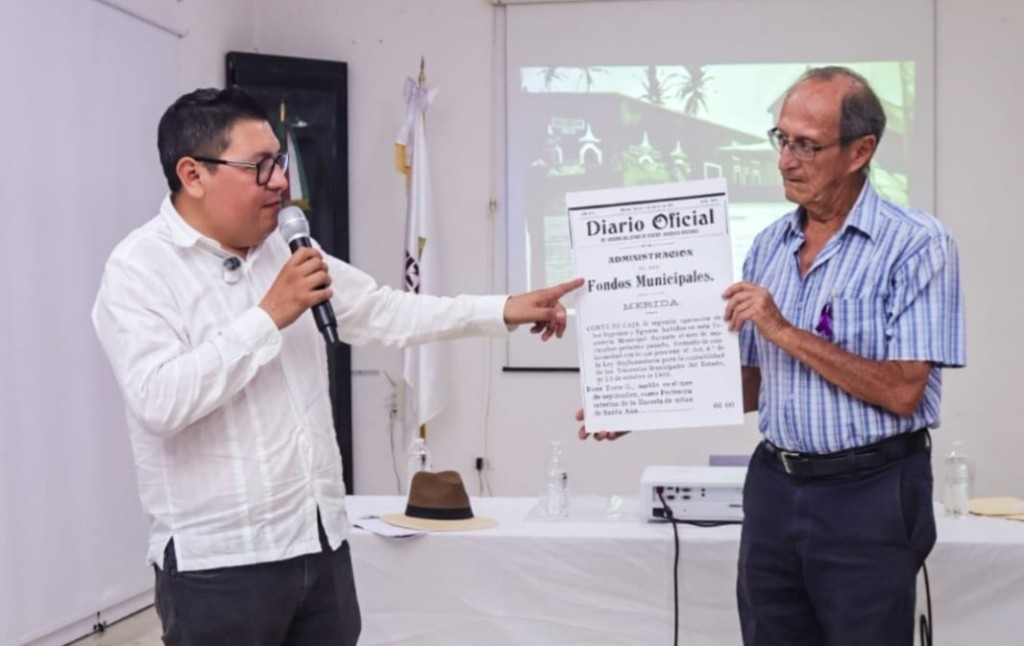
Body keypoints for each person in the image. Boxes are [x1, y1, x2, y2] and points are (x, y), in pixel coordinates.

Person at [92, 86, 582, 646]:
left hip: (319, 546)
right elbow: (160, 400)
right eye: (260, 167)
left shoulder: (285, 249)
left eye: (278, 161)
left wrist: (505, 310)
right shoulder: (139, 270)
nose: (281, 181)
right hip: (221, 566)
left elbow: (385, 310)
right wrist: (267, 316)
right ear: (193, 174)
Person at [578, 66, 965, 646]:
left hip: (871, 494)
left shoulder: (918, 244)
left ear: (862, 150)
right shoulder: (769, 247)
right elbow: (756, 382)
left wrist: (783, 327)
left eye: (807, 145)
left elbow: (903, 389)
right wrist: (641, 404)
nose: (786, 160)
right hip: (774, 492)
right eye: (781, 139)